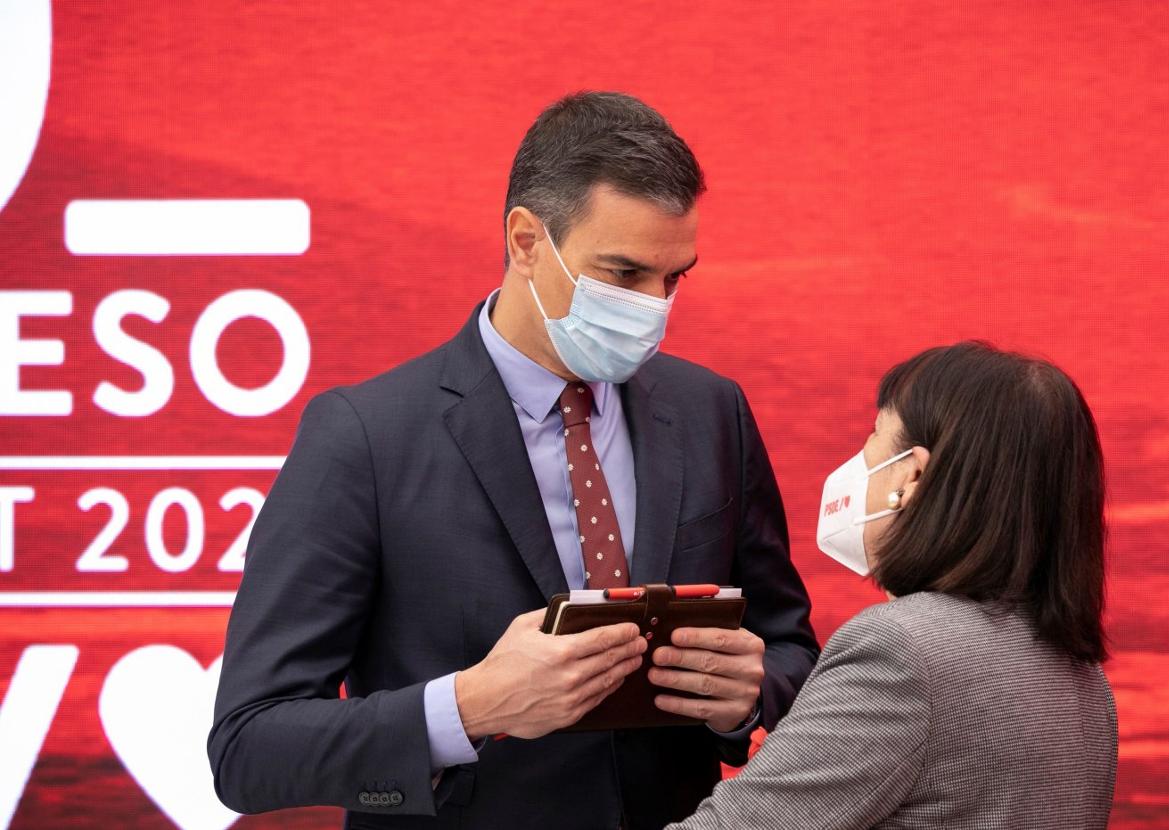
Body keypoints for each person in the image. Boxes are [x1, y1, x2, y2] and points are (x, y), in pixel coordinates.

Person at [207, 91, 819, 830]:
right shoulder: (364, 437)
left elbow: (792, 650)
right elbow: (250, 746)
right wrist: (469, 708)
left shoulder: (709, 410)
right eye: (624, 275)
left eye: (674, 278)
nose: (654, 308)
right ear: (526, 241)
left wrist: (755, 691)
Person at [668, 342, 1118, 830]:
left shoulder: (902, 651)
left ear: (913, 475)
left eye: (875, 435)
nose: (856, 462)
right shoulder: (1082, 675)